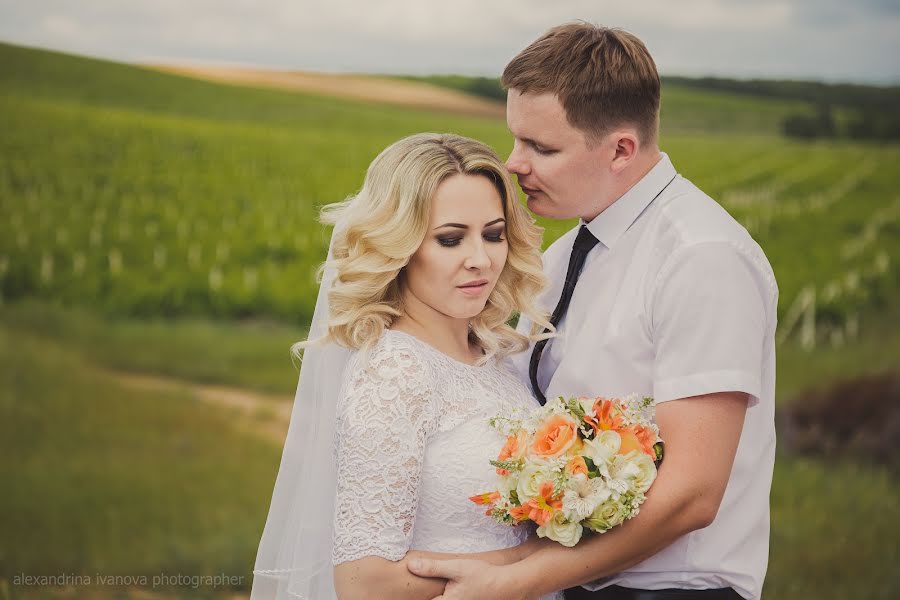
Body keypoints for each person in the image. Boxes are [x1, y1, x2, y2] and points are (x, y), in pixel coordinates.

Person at [407, 23, 778, 600]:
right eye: (516, 139)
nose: (514, 164)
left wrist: (515, 579)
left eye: (541, 148)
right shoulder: (561, 257)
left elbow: (692, 495)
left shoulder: (702, 259)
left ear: (621, 150)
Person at [250, 133, 561, 600]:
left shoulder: (495, 358)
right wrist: (543, 560)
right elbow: (364, 584)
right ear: (400, 246)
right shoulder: (395, 373)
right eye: (451, 239)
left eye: (494, 234)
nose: (481, 259)